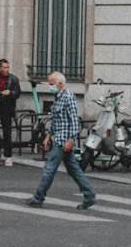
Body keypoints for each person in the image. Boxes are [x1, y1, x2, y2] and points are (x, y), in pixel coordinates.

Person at [27, 72, 96, 210]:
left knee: (49, 169)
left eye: (51, 84)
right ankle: (89, 196)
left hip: (63, 140)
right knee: (74, 170)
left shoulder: (68, 96)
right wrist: (48, 136)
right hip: (59, 138)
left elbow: (74, 120)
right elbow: (57, 121)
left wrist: (71, 139)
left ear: (60, 83)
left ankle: (38, 198)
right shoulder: (58, 97)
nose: (49, 86)